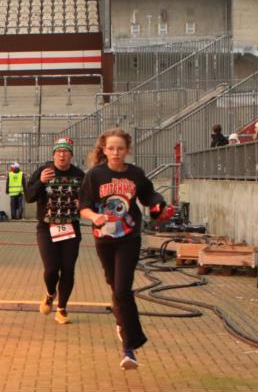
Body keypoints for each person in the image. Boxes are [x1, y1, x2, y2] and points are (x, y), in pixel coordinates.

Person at [78, 128, 173, 370]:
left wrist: (157, 206)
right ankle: (122, 323)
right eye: (111, 148)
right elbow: (84, 207)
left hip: (129, 237)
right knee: (114, 286)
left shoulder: (135, 174)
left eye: (120, 148)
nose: (116, 152)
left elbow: (149, 195)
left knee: (122, 289)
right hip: (104, 239)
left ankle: (129, 348)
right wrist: (95, 217)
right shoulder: (95, 175)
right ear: (104, 150)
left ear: (127, 149)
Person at [24, 137, 86, 325]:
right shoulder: (44, 171)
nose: (62, 154)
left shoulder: (80, 175)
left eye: (66, 151)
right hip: (47, 227)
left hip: (71, 227)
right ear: (53, 155)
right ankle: (51, 293)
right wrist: (41, 182)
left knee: (68, 269)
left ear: (71, 155)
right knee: (51, 269)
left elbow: (89, 200)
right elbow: (28, 197)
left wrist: (82, 203)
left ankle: (62, 308)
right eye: (58, 151)